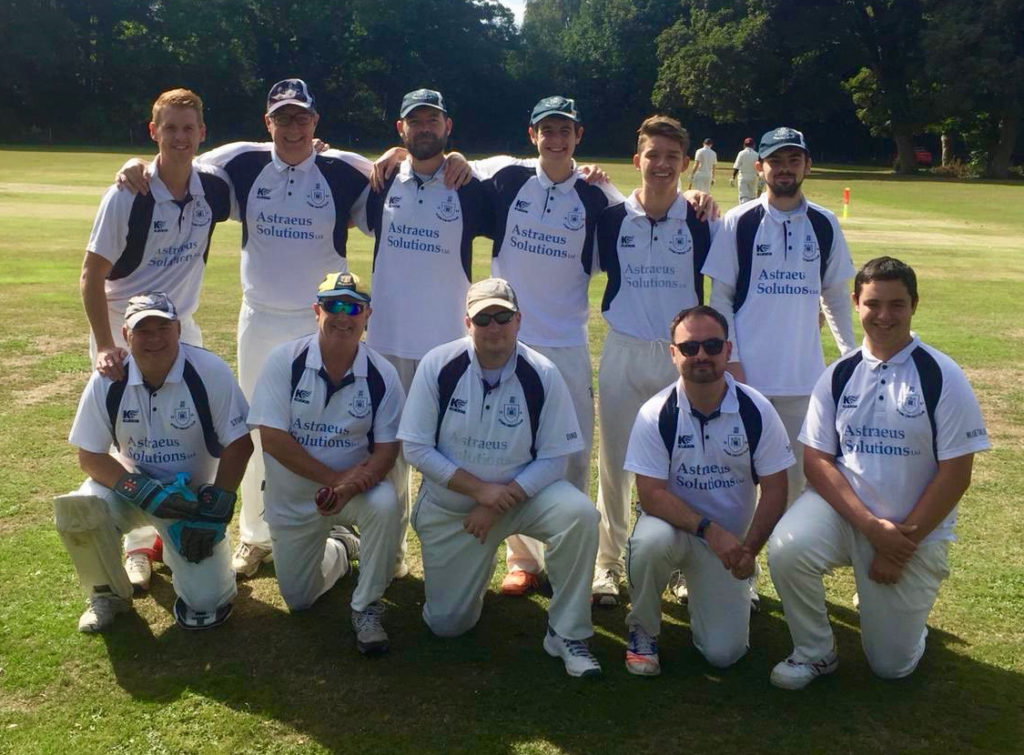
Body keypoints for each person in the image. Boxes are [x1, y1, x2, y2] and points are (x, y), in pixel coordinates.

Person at [118, 79, 375, 578]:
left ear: (316, 122)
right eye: (283, 118)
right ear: (268, 122)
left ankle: (330, 528)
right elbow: (178, 160)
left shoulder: (343, 170)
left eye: (302, 117)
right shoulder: (241, 162)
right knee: (259, 430)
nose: (293, 127)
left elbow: (396, 175)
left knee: (326, 430)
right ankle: (255, 538)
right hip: (260, 318)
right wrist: (136, 167)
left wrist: (389, 151)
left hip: (321, 326)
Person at [768, 257, 990, 689]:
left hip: (911, 534)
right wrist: (869, 526)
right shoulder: (839, 374)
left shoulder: (941, 374)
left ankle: (909, 626)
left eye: (897, 304)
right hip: (851, 518)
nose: (884, 316)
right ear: (855, 303)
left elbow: (956, 472)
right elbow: (816, 460)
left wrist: (895, 546)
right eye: (873, 303)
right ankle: (815, 652)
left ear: (914, 305)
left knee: (891, 667)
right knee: (787, 548)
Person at [397, 278, 602, 677]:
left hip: (521, 500)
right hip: (455, 510)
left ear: (518, 320)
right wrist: (479, 492)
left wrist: (497, 501)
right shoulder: (438, 366)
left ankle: (567, 632)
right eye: (483, 318)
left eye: (503, 317)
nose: (494, 327)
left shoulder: (542, 372)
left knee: (579, 514)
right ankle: (465, 584)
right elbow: (416, 449)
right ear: (467, 322)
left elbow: (554, 458)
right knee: (448, 625)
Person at [82, 88, 235, 590]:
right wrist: (107, 344)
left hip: (180, 324)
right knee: (134, 441)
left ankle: (186, 523)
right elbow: (91, 274)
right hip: (123, 331)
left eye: (189, 128)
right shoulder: (128, 193)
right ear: (154, 132)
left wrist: (322, 149)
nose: (180, 137)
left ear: (202, 134)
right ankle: (138, 546)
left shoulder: (213, 188)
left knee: (193, 440)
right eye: (170, 128)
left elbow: (270, 159)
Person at [354, 89, 494, 579]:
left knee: (448, 455)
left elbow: (524, 169)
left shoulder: (469, 186)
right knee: (387, 455)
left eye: (433, 119)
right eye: (415, 121)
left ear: (447, 125)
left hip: (447, 349)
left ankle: (447, 559)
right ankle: (387, 558)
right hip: (388, 343)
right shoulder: (381, 181)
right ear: (401, 130)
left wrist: (464, 161)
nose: (425, 128)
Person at [55, 292, 253, 632]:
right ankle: (107, 595)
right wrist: (140, 489)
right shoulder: (107, 378)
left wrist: (217, 506)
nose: (155, 338)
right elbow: (89, 455)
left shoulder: (209, 371)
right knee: (81, 507)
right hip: (131, 491)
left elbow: (240, 444)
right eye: (143, 330)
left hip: (189, 504)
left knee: (206, 604)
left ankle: (190, 554)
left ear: (178, 329)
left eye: (163, 327)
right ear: (126, 335)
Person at [590, 115, 720, 606]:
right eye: (653, 155)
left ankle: (683, 567)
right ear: (636, 160)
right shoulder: (609, 218)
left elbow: (729, 288)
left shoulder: (704, 219)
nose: (662, 165)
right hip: (624, 349)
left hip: (681, 358)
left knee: (683, 463)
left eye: (672, 157)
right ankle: (606, 564)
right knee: (616, 463)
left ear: (686, 164)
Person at [622, 306, 792, 675]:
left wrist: (748, 549)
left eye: (712, 346)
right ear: (673, 354)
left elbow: (777, 489)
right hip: (677, 531)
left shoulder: (756, 409)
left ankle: (718, 584)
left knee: (724, 655)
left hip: (730, 546)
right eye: (689, 347)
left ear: (728, 350)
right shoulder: (656, 412)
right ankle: (642, 630)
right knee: (648, 541)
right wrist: (707, 530)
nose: (701, 355)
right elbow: (650, 494)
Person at [248, 272, 405, 654]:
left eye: (353, 307)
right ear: (316, 310)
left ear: (367, 315)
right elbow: (272, 439)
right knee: (299, 601)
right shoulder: (285, 361)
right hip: (296, 496)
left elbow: (387, 450)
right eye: (333, 305)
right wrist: (333, 479)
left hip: (353, 492)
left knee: (385, 504)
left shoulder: (383, 374)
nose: (343, 316)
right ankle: (340, 549)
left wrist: (347, 487)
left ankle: (366, 606)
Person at [702, 127, 856, 514]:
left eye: (793, 160)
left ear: (807, 165)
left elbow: (835, 296)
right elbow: (720, 299)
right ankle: (732, 569)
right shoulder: (739, 222)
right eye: (775, 161)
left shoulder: (824, 224)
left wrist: (850, 354)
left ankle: (785, 564)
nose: (784, 169)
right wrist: (731, 362)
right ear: (760, 167)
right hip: (745, 377)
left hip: (803, 380)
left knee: (794, 484)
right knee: (733, 479)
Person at [730, 137, 759, 204]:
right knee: (752, 197)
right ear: (753, 145)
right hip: (753, 177)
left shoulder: (741, 153)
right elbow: (759, 167)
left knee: (743, 196)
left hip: (743, 177)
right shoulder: (756, 154)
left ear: (744, 145)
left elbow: (736, 166)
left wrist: (733, 177)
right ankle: (751, 212)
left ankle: (744, 212)